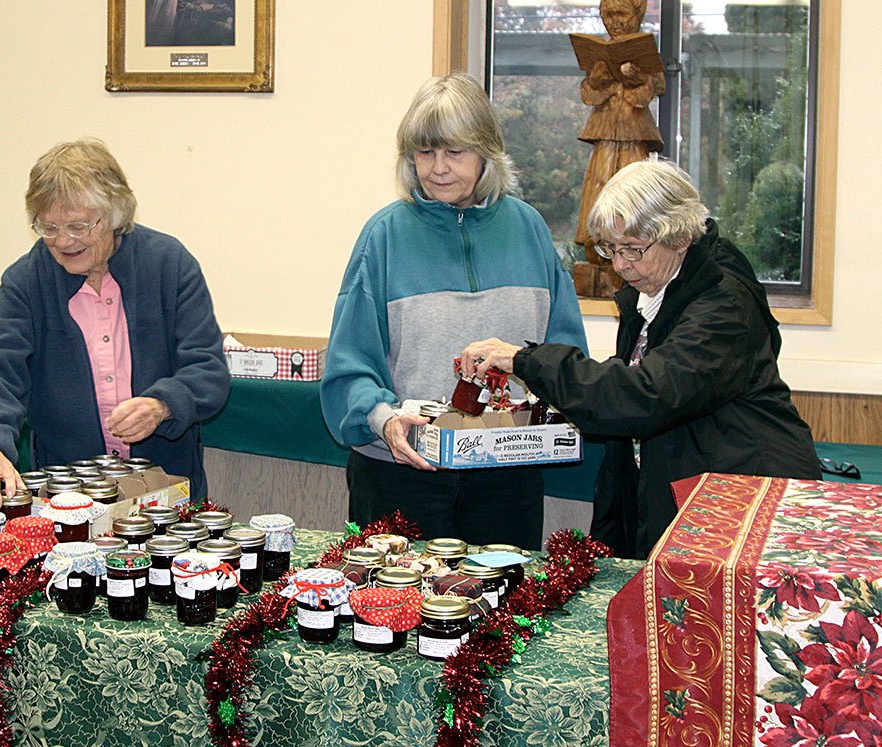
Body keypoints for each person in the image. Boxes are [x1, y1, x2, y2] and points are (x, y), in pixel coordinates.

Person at [460, 159, 820, 559]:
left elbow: (647, 394)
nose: (619, 265)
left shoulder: (725, 305)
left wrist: (528, 361)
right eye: (610, 249)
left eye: (633, 249)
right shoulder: (653, 292)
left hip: (745, 506)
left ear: (680, 237)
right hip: (695, 498)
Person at [320, 74, 587, 549]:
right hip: (401, 472)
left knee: (503, 615)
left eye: (455, 152)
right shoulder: (382, 236)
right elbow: (347, 370)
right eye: (425, 153)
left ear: (487, 152)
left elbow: (565, 355)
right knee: (393, 616)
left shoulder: (530, 229)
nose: (438, 168)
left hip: (507, 475)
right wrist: (382, 420)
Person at [0, 138, 229, 510]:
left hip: (166, 488)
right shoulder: (26, 281)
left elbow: (208, 369)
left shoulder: (169, 265)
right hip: (67, 494)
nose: (62, 241)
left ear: (116, 214)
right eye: (49, 226)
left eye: (78, 226)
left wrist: (161, 404)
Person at [571, 0, 666, 297]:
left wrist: (637, 78)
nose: (615, 21)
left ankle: (633, 251)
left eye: (622, 14)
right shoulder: (600, 56)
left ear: (636, 15)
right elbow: (589, 94)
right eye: (608, 15)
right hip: (603, 135)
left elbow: (654, 87)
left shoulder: (643, 53)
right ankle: (597, 252)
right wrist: (598, 80)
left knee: (634, 193)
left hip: (634, 134)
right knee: (597, 187)